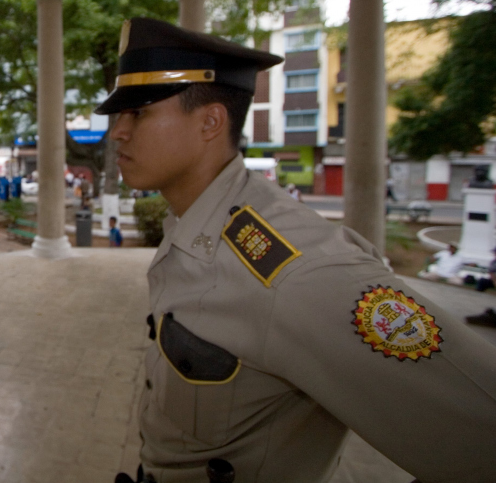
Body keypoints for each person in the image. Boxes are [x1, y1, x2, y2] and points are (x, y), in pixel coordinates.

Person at [97, 17, 496, 483]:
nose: (117, 132)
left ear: (210, 121)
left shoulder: (297, 272)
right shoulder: (195, 221)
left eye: (138, 113)